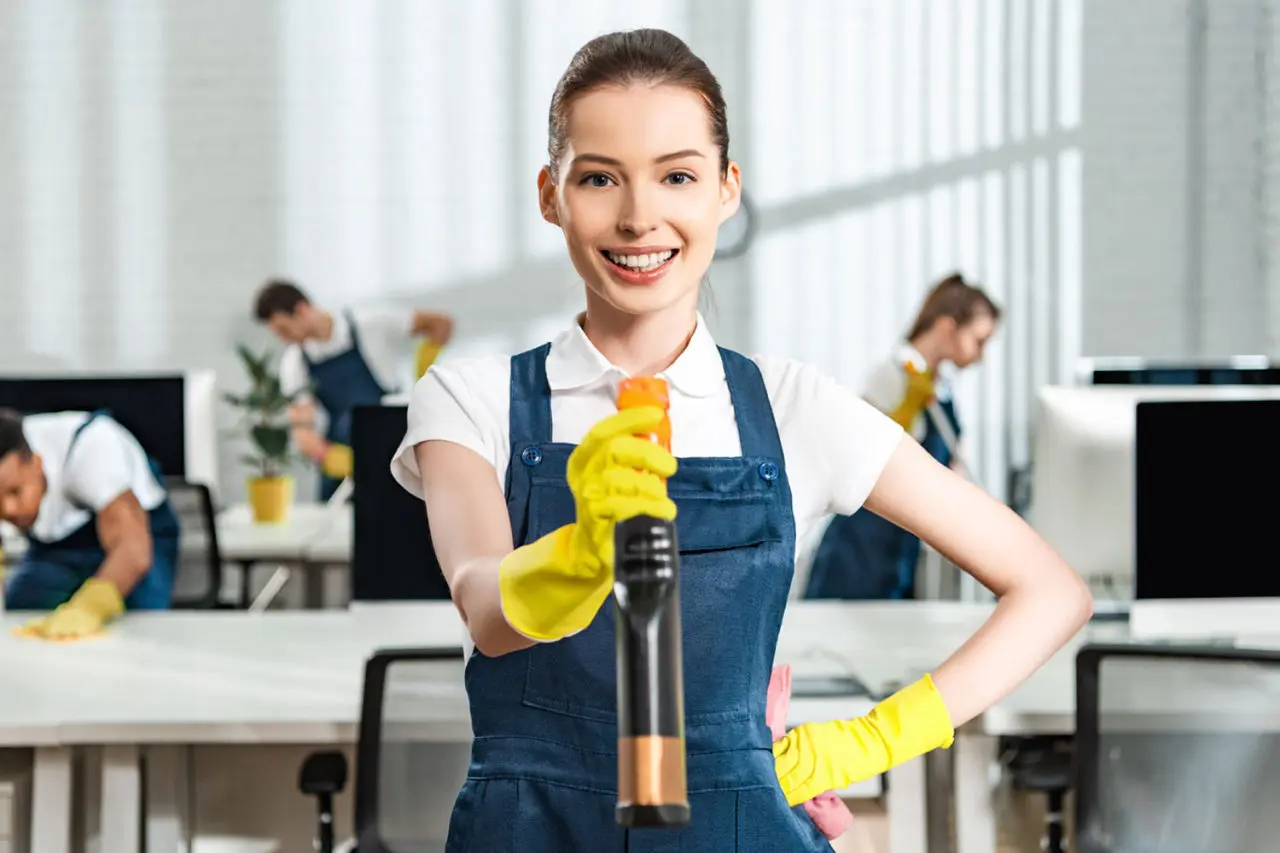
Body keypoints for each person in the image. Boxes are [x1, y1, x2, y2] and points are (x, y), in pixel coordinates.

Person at [390, 29, 1090, 852]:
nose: (639, 215)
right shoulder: (471, 401)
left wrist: (871, 739)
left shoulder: (795, 407)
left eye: (678, 175)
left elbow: (1051, 591)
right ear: (551, 194)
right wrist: (581, 552)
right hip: (529, 830)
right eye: (599, 177)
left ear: (727, 189)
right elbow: (484, 603)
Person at [805, 274, 1001, 600]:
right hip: (861, 548)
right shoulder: (893, 375)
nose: (980, 355)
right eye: (978, 341)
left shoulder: (940, 390)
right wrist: (905, 411)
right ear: (946, 328)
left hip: (901, 547)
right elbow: (853, 454)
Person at [252, 279, 455, 500]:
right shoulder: (295, 362)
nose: (283, 339)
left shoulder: (373, 324)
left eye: (284, 329)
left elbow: (440, 324)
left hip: (396, 459)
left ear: (301, 310)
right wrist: (338, 460)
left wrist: (424, 372)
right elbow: (303, 433)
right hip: (345, 470)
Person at [0, 408, 180, 640]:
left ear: (36, 462)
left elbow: (133, 551)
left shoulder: (93, 448)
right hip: (56, 547)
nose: (9, 509)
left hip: (137, 537)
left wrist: (89, 607)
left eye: (16, 491)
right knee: (20, 622)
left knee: (141, 632)